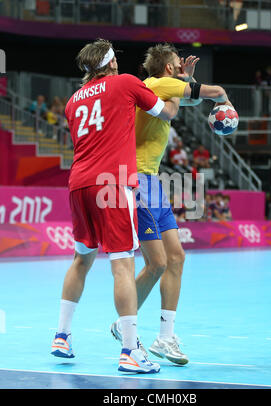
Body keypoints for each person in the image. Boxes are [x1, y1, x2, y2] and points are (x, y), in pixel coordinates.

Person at [50, 38, 179, 374]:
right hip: (112, 183)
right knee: (122, 264)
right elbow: (166, 112)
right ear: (110, 63)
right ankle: (129, 351)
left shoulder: (71, 101)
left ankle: (61, 336)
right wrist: (180, 87)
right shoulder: (125, 83)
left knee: (81, 260)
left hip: (78, 184)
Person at [110, 43, 234, 365]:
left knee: (176, 257)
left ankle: (164, 338)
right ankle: (126, 322)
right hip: (137, 181)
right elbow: (215, 91)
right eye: (179, 65)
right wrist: (226, 102)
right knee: (157, 263)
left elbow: (180, 104)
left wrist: (184, 83)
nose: (183, 68)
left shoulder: (161, 89)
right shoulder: (155, 83)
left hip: (154, 181)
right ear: (168, 68)